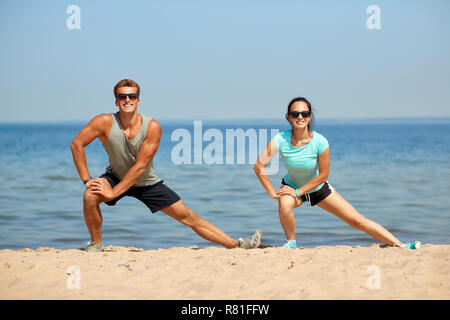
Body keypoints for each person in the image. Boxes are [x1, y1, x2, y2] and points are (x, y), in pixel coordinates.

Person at [70, 79, 262, 252]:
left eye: (132, 96)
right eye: (122, 96)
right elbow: (76, 144)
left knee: (187, 216)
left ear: (138, 100)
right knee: (90, 195)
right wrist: (87, 179)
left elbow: (140, 167)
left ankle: (236, 245)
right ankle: (96, 244)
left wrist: (112, 193)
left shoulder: (153, 127)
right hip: (116, 176)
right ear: (116, 101)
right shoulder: (103, 122)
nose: (127, 99)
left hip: (145, 181)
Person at [253, 97, 420, 249]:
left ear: (310, 116)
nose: (300, 117)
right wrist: (273, 193)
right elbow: (259, 166)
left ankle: (400, 245)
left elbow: (323, 175)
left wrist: (299, 191)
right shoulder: (280, 139)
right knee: (284, 204)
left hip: (317, 187)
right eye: (295, 114)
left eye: (304, 113)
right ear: (288, 117)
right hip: (292, 187)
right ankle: (291, 242)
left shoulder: (320, 142)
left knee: (356, 220)